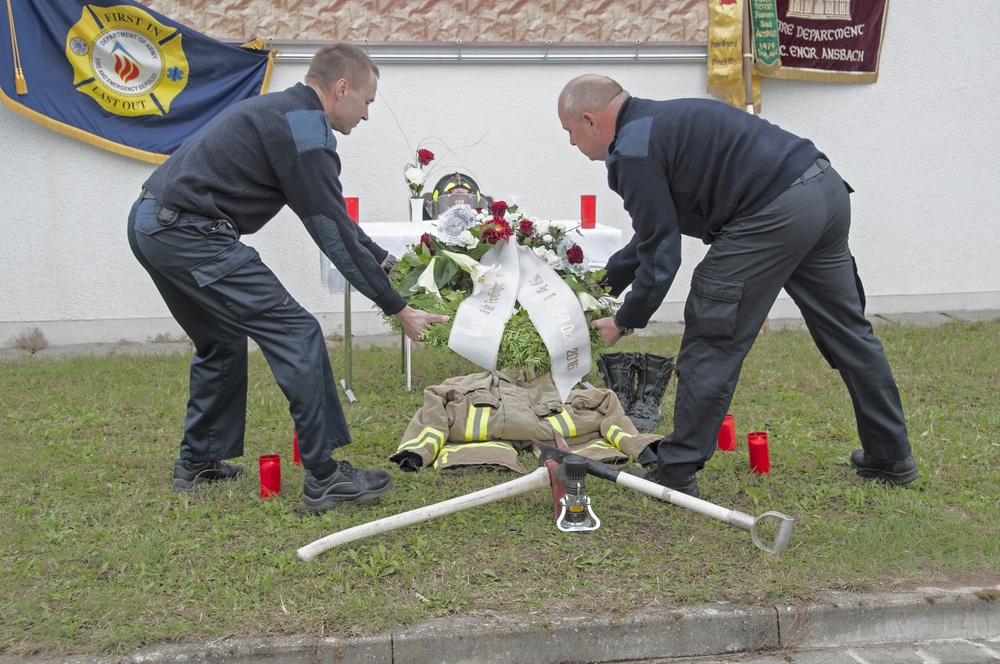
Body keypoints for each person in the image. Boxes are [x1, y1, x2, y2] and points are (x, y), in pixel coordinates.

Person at [556, 74, 918, 498]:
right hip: (824, 189)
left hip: (772, 211)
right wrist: (601, 285)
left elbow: (662, 252)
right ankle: (891, 456)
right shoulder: (657, 122)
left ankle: (676, 468)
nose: (571, 144)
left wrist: (623, 320)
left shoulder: (633, 151)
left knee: (713, 333)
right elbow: (653, 236)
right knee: (849, 332)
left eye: (570, 133)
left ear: (590, 120)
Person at [127, 43, 448, 509]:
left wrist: (385, 262)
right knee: (298, 332)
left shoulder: (285, 112)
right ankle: (324, 476)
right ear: (342, 89)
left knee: (221, 339)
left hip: (151, 224)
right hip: (190, 232)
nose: (367, 115)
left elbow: (334, 218)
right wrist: (396, 306)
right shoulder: (305, 129)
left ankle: (199, 461)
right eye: (367, 101)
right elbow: (331, 233)